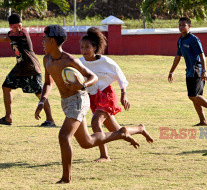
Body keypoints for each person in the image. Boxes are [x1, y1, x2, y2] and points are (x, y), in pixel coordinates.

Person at [35, 25, 141, 184]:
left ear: (52, 40)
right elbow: (48, 83)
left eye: (44, 39)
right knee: (87, 143)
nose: (42, 42)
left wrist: (82, 85)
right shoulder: (47, 59)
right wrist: (42, 100)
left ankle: (66, 179)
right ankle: (120, 133)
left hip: (79, 100)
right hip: (66, 102)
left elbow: (92, 77)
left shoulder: (69, 60)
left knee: (64, 136)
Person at [79, 27, 153, 162]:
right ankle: (140, 129)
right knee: (118, 132)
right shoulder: (80, 62)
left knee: (95, 123)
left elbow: (120, 75)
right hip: (93, 98)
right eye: (82, 47)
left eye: (87, 47)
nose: (84, 50)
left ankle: (104, 156)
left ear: (95, 47)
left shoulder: (106, 62)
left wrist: (124, 94)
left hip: (106, 95)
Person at [0, 13, 55, 127]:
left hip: (31, 67)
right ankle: (8, 117)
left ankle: (50, 120)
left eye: (18, 26)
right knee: (6, 87)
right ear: (10, 26)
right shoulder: (12, 33)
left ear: (21, 25)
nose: (16, 28)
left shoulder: (23, 33)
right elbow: (6, 38)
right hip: (20, 67)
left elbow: (6, 38)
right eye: (13, 27)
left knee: (40, 93)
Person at [168, 17, 207, 126]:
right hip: (189, 71)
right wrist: (171, 71)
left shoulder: (194, 39)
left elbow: (202, 55)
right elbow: (178, 57)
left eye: (184, 25)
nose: (181, 27)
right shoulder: (180, 40)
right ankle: (203, 121)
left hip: (196, 70)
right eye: (180, 25)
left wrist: (204, 71)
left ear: (189, 26)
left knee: (193, 96)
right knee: (195, 97)